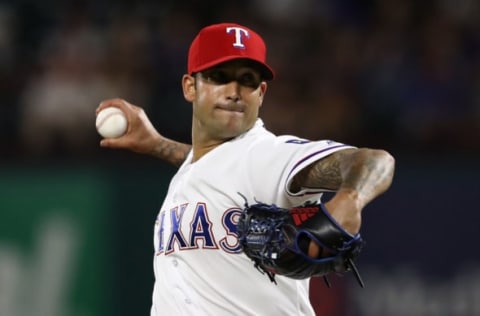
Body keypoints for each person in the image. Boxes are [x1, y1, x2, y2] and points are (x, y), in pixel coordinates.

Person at [96, 23, 395, 316]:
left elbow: (374, 161)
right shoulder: (200, 167)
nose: (234, 91)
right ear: (190, 87)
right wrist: (157, 144)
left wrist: (350, 199)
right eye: (219, 77)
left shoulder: (270, 155)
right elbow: (214, 167)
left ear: (261, 92)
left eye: (247, 80)